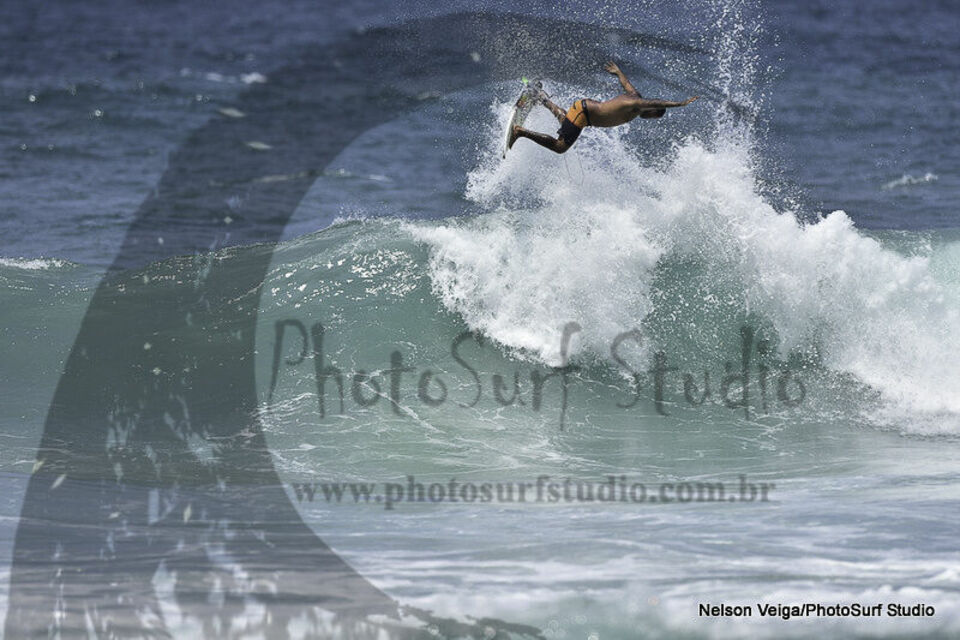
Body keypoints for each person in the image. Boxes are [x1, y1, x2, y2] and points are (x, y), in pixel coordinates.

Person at [508, 61, 698, 154]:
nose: (649, 119)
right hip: (585, 112)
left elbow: (627, 84)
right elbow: (657, 102)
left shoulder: (634, 97)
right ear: (651, 110)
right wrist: (680, 104)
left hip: (584, 113)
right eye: (653, 116)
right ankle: (520, 131)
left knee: (565, 120)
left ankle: (540, 97)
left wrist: (618, 72)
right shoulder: (637, 104)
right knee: (560, 147)